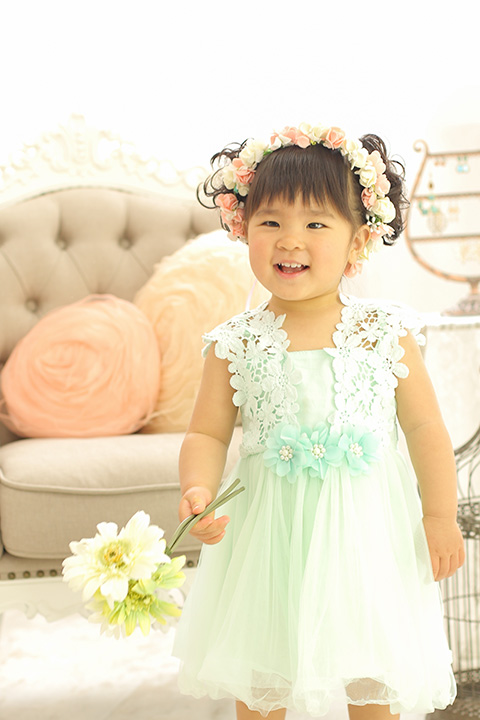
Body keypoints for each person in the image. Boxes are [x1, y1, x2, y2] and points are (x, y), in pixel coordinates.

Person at [172, 123, 465, 720]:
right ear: (242, 228)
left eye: (315, 224)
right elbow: (207, 433)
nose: (290, 240)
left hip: (366, 532)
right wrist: (197, 490)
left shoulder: (385, 332)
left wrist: (439, 515)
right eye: (270, 222)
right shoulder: (235, 342)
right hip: (268, 532)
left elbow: (426, 431)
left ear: (359, 240)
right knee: (262, 665)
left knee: (373, 668)